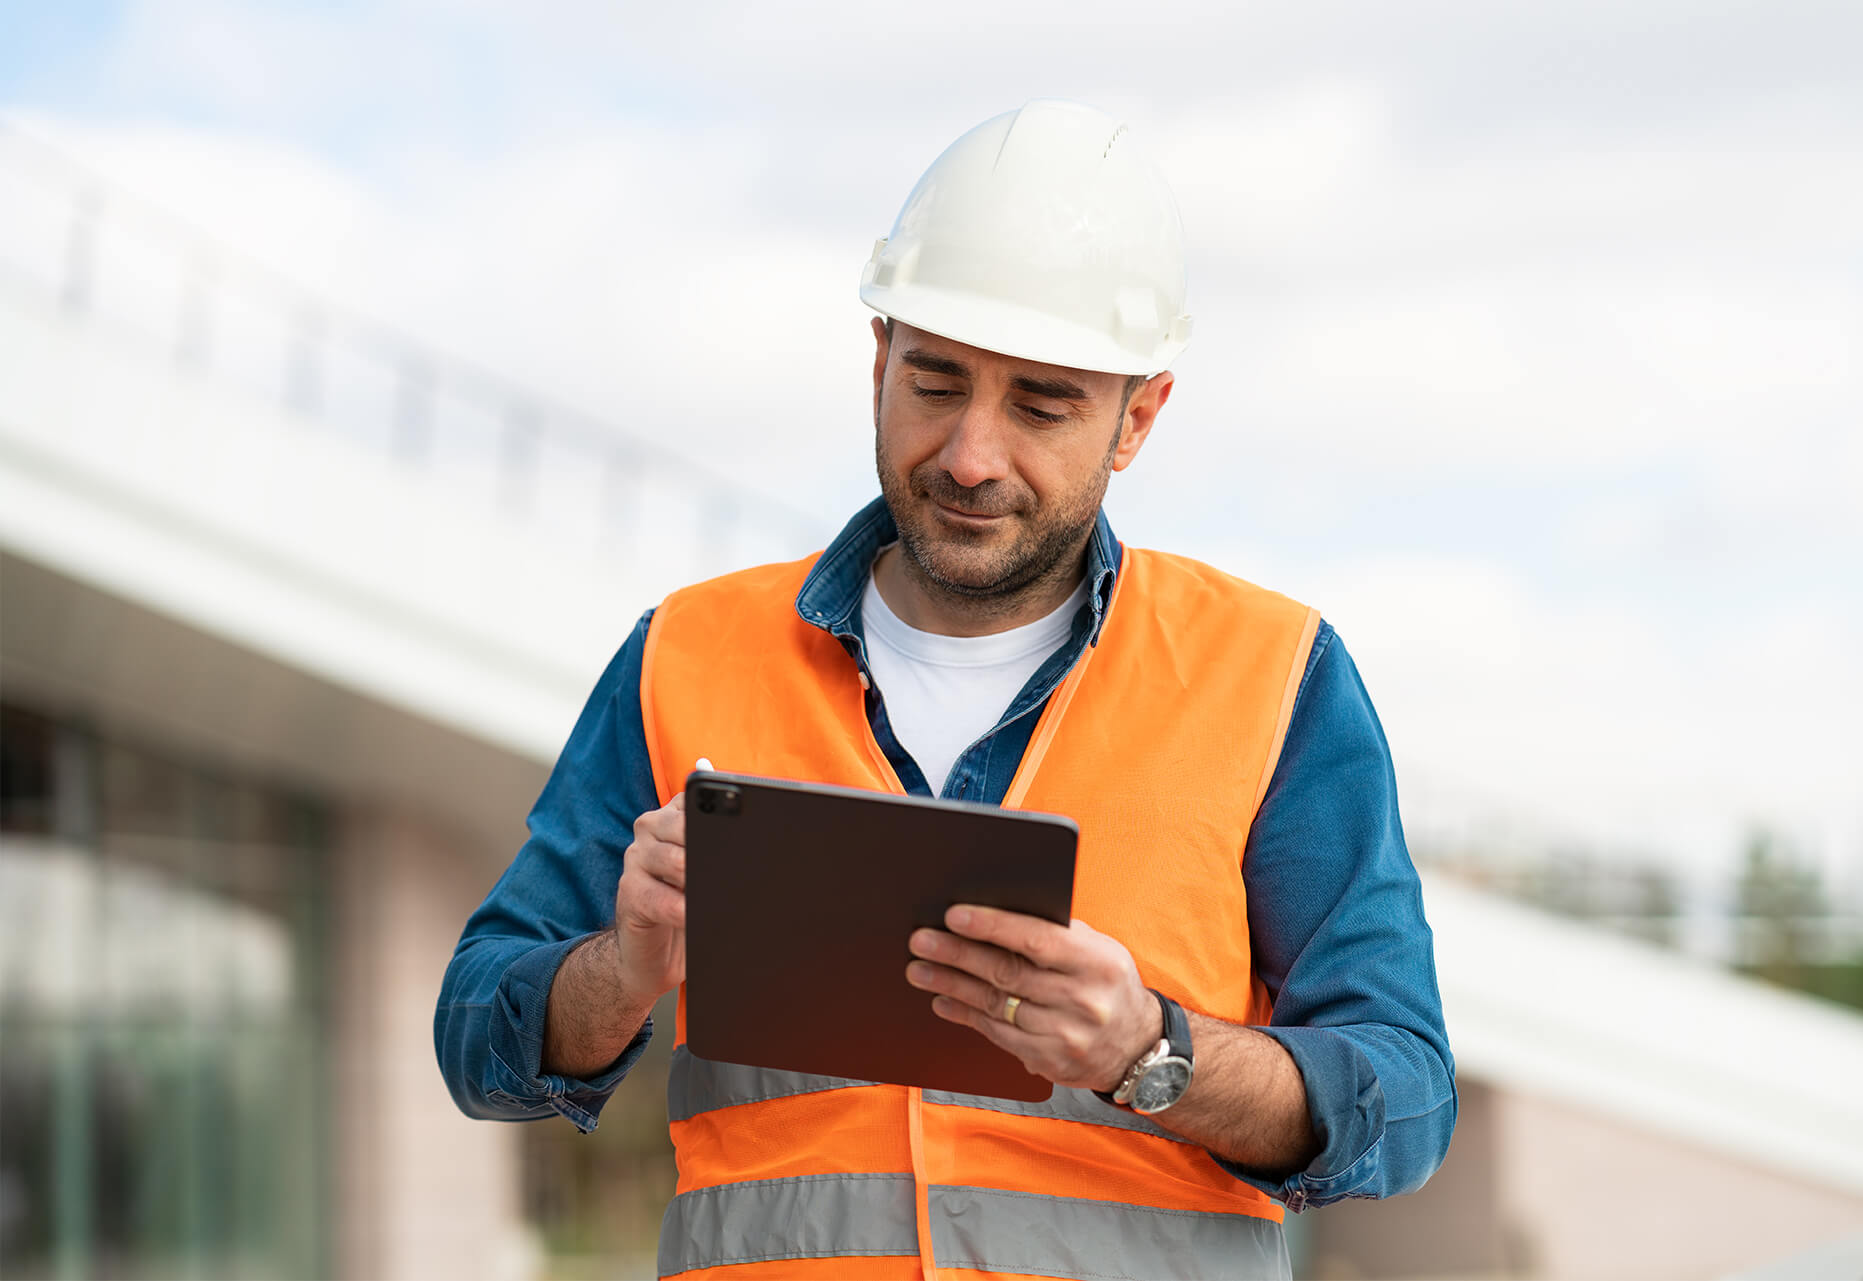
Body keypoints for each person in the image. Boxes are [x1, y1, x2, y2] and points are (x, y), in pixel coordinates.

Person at [436, 99, 1453, 1281]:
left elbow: (1409, 1101)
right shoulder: (688, 652)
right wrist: (623, 966)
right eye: (935, 380)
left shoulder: (1273, 678)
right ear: (878, 358)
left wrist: (1149, 1052)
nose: (971, 453)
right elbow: (476, 1037)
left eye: (1041, 404)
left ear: (1139, 418)